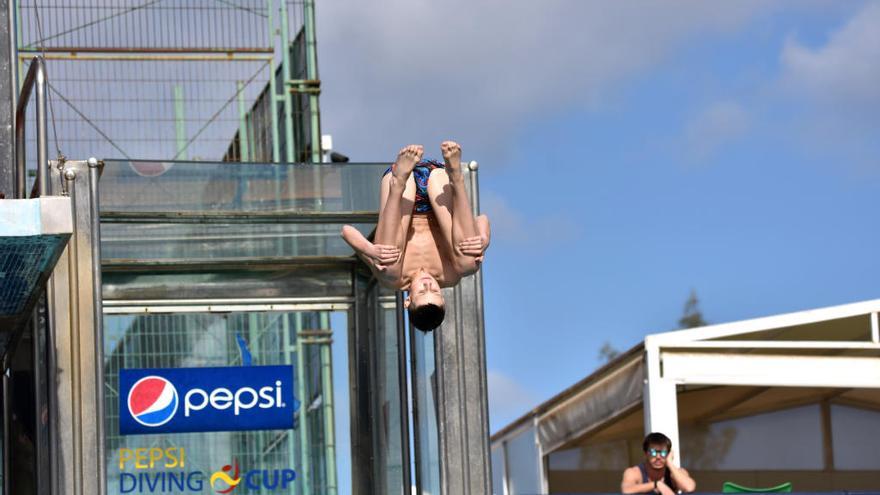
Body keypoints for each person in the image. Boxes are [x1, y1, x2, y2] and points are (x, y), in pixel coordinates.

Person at [341, 141, 490, 331]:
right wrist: (483, 241)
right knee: (469, 265)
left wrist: (371, 250)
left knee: (389, 269)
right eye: (434, 290)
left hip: (404, 191)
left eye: (422, 291)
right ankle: (457, 177)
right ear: (443, 297)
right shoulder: (451, 275)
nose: (428, 284)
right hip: (439, 185)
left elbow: (346, 231)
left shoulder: (394, 279)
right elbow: (482, 219)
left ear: (407, 300)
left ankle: (398, 183)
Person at [621, 432, 696, 495]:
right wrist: (656, 484)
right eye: (653, 452)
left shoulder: (674, 473)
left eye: (663, 453)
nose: (658, 457)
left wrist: (669, 463)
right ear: (645, 453)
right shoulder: (635, 472)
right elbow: (626, 490)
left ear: (669, 454)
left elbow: (689, 487)